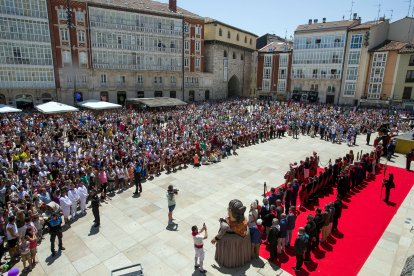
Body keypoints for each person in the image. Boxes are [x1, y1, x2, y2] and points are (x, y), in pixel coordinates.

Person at [211, 199, 251, 268]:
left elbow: (219, 235)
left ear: (230, 211)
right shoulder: (244, 219)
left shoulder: (225, 224)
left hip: (229, 241)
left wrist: (214, 239)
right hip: (242, 237)